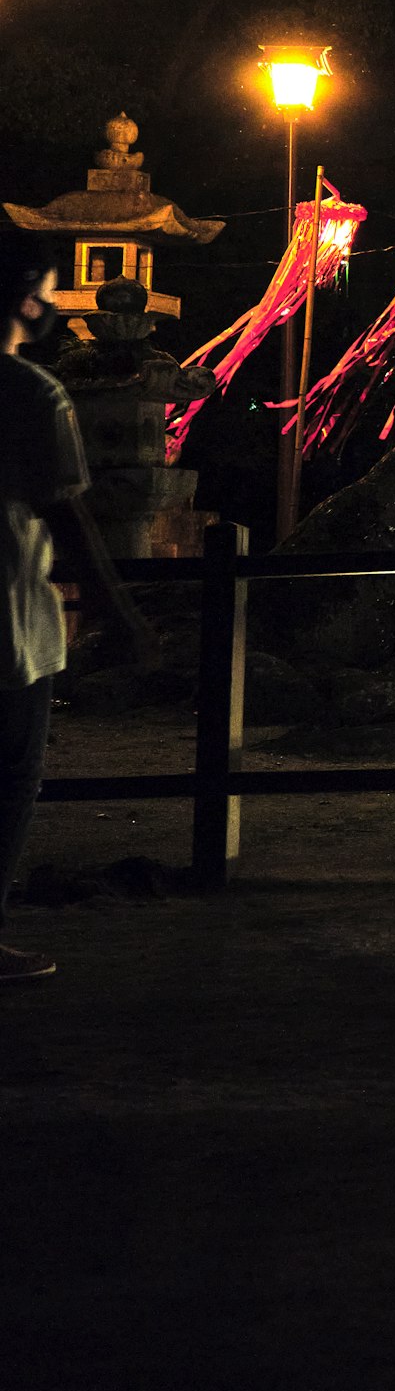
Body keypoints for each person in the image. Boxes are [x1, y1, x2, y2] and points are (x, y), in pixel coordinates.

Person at [1, 239, 154, 981]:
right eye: (49, 292)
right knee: (10, 775)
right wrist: (114, 608)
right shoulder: (33, 393)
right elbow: (67, 511)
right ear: (25, 296)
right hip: (8, 621)